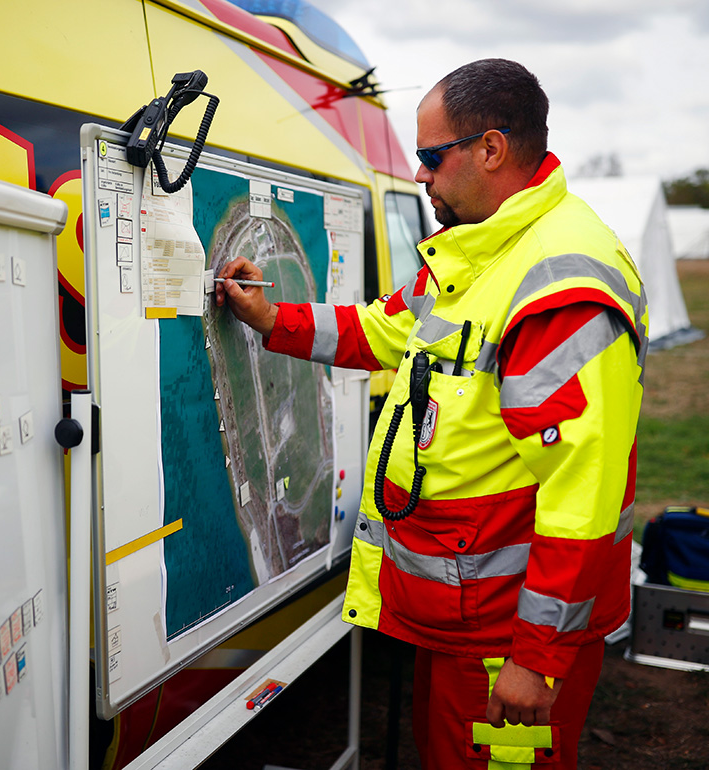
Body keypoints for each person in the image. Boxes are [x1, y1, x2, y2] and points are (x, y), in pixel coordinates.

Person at [216, 59, 647, 769]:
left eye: (429, 156)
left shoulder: (558, 283)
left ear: (491, 149)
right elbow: (383, 329)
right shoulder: (480, 252)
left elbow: (585, 492)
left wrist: (536, 660)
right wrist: (271, 319)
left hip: (508, 638)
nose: (419, 174)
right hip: (466, 624)